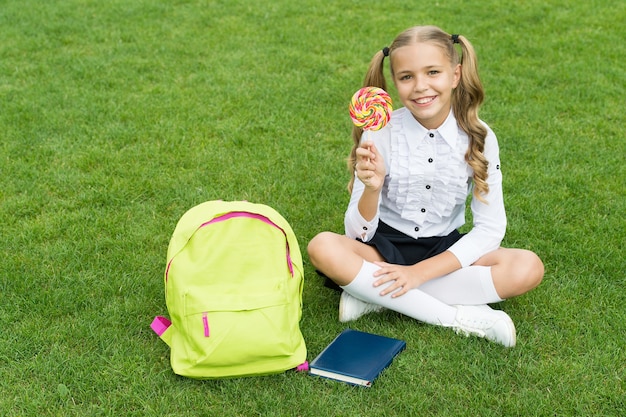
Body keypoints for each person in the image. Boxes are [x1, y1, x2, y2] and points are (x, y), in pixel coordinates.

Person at [307, 25, 544, 347]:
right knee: (323, 246)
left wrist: (419, 274)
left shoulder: (480, 137)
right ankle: (458, 318)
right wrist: (372, 187)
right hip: (381, 249)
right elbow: (355, 234)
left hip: (443, 249)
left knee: (526, 267)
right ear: (394, 82)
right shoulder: (380, 131)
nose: (421, 87)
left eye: (432, 72)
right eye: (406, 77)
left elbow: (490, 229)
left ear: (455, 74)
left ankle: (373, 295)